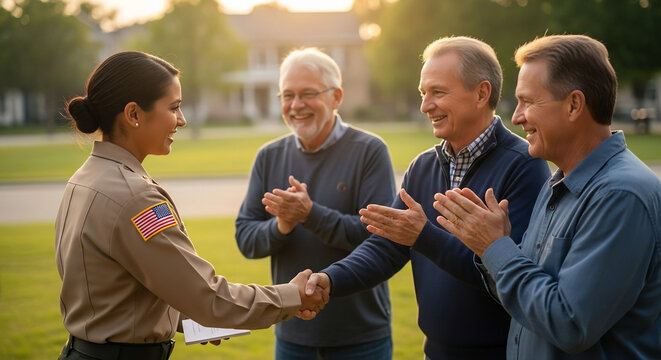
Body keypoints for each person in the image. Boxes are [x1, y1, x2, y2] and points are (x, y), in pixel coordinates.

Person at [55, 51, 325, 360]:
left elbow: (113, 291)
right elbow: (208, 297)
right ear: (133, 115)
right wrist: (293, 296)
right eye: (174, 108)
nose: (182, 120)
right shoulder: (136, 198)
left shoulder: (83, 179)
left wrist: (185, 318)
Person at [304, 36, 550, 359]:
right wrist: (328, 280)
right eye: (423, 93)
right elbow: (386, 248)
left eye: (437, 92)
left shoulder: (524, 166)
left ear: (481, 93)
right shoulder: (423, 167)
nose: (425, 106)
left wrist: (423, 235)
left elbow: (510, 275)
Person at [433, 35, 661, 359]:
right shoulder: (560, 180)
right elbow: (527, 299)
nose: (516, 117)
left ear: (573, 105)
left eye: (528, 101)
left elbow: (569, 324)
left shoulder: (620, 196)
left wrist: (495, 248)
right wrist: (490, 251)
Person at [235, 47, 396, 359]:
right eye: (287, 95)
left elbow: (378, 238)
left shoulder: (370, 151)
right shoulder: (269, 156)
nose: (296, 105)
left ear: (336, 97)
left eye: (307, 93)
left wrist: (310, 214)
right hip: (292, 336)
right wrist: (282, 225)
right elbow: (246, 239)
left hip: (361, 337)